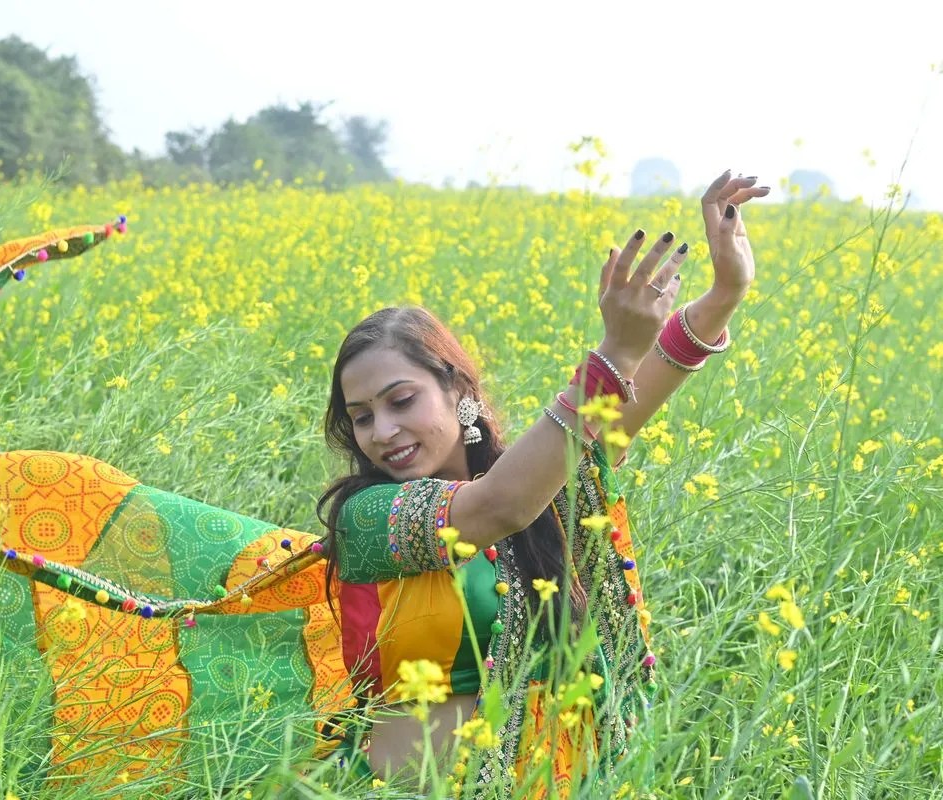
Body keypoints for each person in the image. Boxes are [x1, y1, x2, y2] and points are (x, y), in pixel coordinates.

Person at [316, 170, 768, 796]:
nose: (382, 430)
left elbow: (623, 402)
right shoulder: (366, 516)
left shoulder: (543, 483)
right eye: (361, 417)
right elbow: (497, 506)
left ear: (458, 392)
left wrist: (725, 292)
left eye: (400, 401)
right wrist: (613, 353)